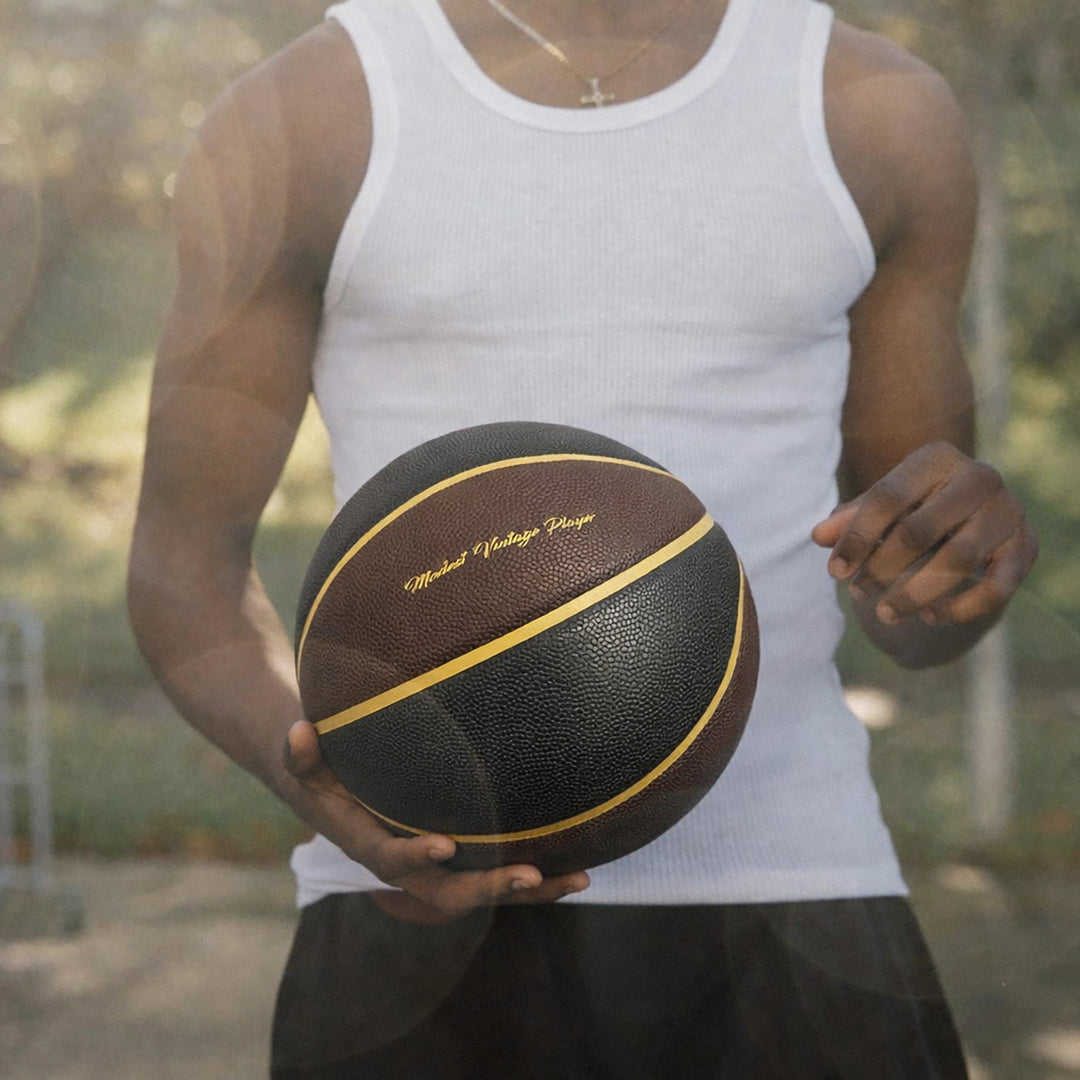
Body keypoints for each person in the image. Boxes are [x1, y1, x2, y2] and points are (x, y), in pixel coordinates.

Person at [128, 0, 1039, 1075]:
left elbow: (915, 618)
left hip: (795, 897)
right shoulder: (305, 113)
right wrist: (326, 784)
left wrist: (952, 573)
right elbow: (181, 565)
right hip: (414, 908)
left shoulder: (875, 112)